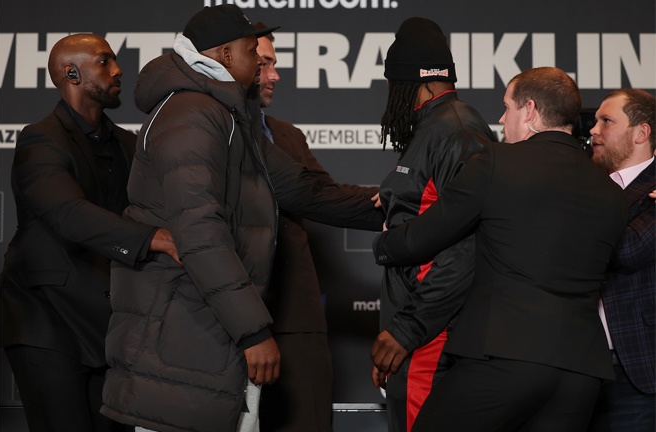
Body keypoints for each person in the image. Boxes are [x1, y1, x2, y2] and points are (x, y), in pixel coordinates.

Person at [99, 6, 384, 432]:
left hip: (209, 335)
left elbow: (304, 189)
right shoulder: (190, 115)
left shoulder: (227, 116)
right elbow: (200, 233)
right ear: (227, 56)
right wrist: (253, 332)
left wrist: (399, 204)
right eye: (255, 52)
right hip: (181, 339)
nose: (264, 66)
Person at [373, 67, 629, 432]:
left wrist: (385, 238)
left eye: (506, 107)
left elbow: (422, 239)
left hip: (502, 357)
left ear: (529, 110)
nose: (500, 118)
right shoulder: (612, 193)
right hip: (580, 373)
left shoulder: (496, 163)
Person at [0, 34, 178, 432]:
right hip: (46, 319)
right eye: (105, 61)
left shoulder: (129, 145)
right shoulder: (40, 138)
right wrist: (155, 238)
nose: (118, 70)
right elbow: (67, 214)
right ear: (72, 73)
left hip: (107, 326)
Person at [369, 17, 496, 432]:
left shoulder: (456, 131)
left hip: (433, 336)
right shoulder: (434, 128)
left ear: (414, 83)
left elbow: (466, 249)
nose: (389, 95)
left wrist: (407, 332)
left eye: (392, 84)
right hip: (419, 331)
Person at [253, 24, 380, 432]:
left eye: (275, 63)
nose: (275, 75)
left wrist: (401, 199)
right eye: (264, 64)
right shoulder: (213, 131)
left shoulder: (287, 135)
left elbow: (325, 194)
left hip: (297, 313)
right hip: (233, 317)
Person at [586, 89, 655, 432]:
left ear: (641, 133)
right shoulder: (587, 184)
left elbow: (627, 250)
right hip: (582, 368)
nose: (593, 130)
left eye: (606, 121)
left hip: (638, 369)